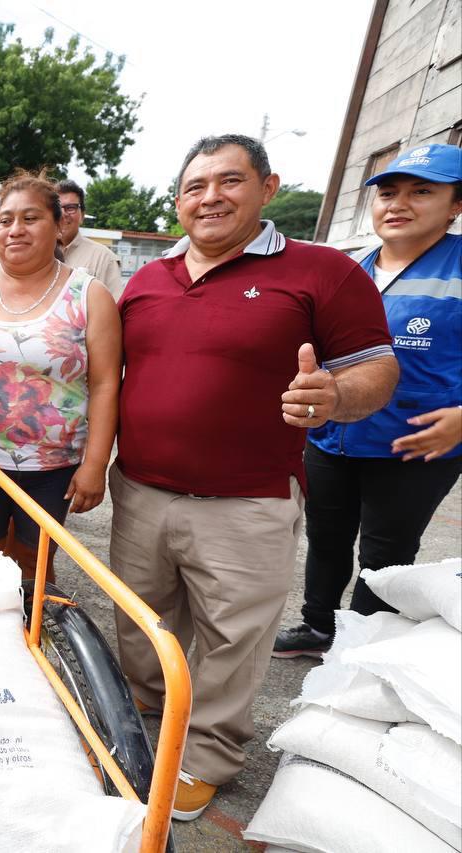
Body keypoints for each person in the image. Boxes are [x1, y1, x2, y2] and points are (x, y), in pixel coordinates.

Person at [109, 134, 399, 820]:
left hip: (246, 503)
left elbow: (377, 371)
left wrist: (335, 396)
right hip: (142, 490)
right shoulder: (147, 280)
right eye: (194, 186)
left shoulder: (322, 272)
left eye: (229, 180)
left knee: (232, 641)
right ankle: (149, 701)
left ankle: (207, 755)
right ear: (177, 201)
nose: (210, 196)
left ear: (268, 187)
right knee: (140, 621)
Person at [274, 143, 462, 658]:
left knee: (386, 551)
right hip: (333, 435)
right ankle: (318, 628)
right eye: (388, 192)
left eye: (422, 191)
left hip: (416, 443)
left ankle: (362, 644)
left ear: (455, 205)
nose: (398, 203)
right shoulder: (346, 269)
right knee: (326, 539)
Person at [0, 171, 120, 582]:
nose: (15, 230)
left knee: (34, 562)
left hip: (52, 463)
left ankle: (37, 636)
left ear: (59, 226)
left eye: (31, 218)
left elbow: (107, 383)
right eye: (5, 220)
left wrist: (95, 465)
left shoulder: (89, 295)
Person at [56, 179, 123, 299]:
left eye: (70, 208)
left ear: (82, 215)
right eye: (56, 208)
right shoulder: (36, 254)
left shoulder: (105, 258)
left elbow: (115, 308)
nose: (62, 214)